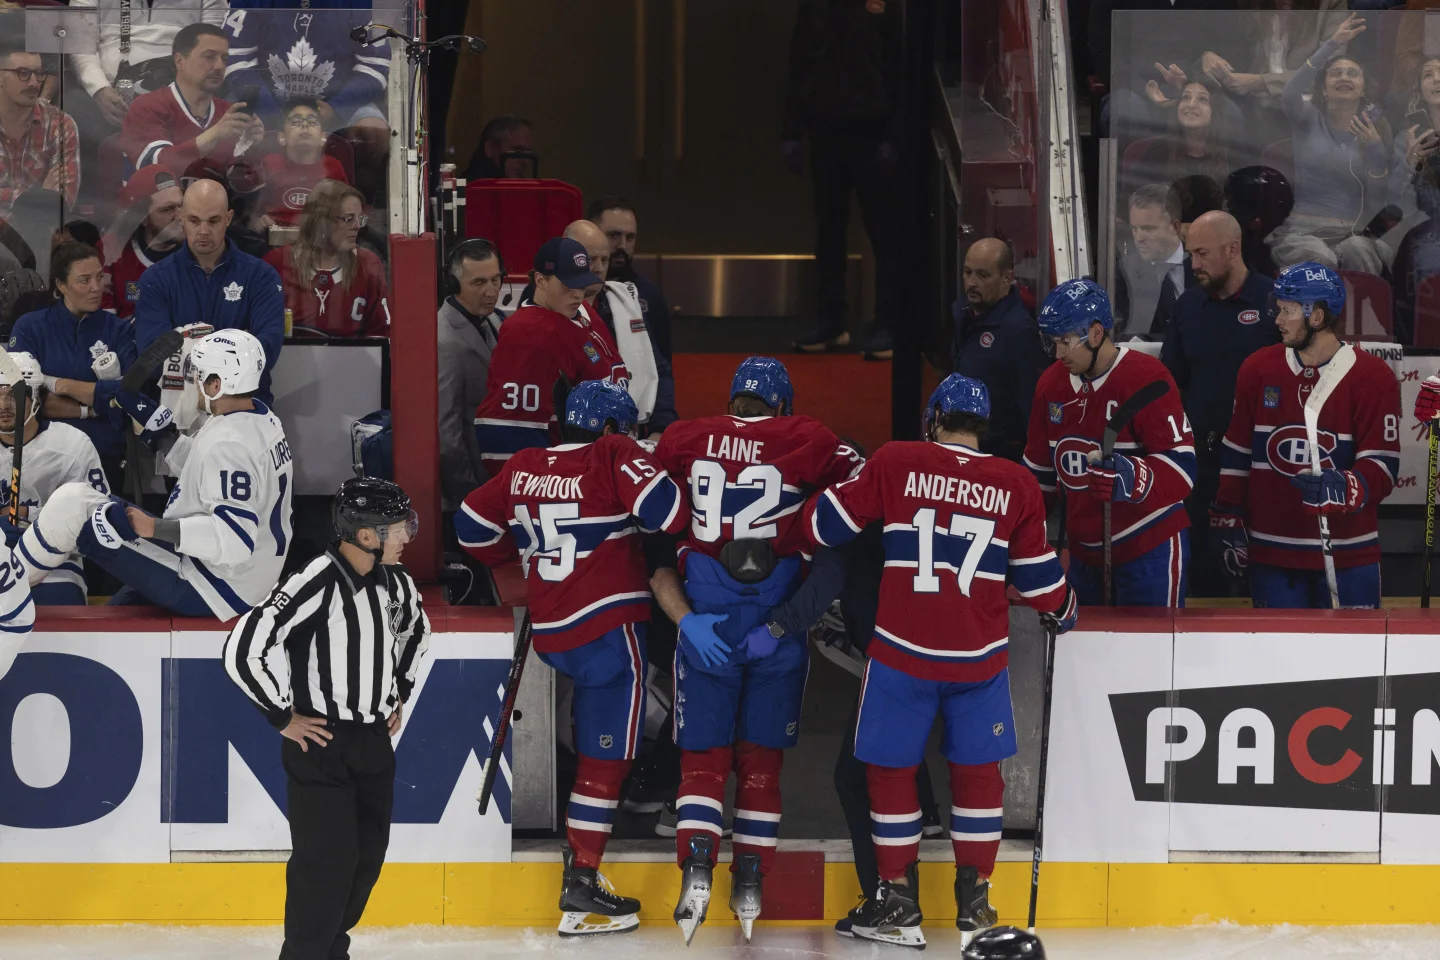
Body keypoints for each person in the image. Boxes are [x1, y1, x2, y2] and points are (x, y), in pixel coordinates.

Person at [806, 374, 1077, 949]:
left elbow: (824, 525)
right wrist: (1067, 608)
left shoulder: (898, 459)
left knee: (890, 772)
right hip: (977, 659)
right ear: (982, 428)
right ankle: (974, 900)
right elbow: (1039, 580)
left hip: (901, 653)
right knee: (978, 777)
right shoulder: (1016, 482)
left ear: (932, 419)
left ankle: (897, 900)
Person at [456, 381, 687, 938]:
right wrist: (640, 462)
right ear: (611, 429)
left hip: (554, 628)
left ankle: (585, 873)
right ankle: (582, 880)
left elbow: (469, 523)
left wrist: (519, 558)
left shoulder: (526, 464)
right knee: (607, 759)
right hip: (608, 627)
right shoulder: (614, 452)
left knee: (596, 747)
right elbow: (670, 514)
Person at [650, 357, 863, 942]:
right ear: (783, 405)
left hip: (706, 622)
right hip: (776, 627)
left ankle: (697, 863)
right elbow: (861, 483)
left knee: (702, 760)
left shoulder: (685, 436)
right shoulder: (811, 438)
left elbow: (652, 501)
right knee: (762, 765)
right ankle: (749, 874)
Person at [224, 477, 428, 960]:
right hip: (320, 745)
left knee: (364, 863)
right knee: (325, 864)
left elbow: (416, 632)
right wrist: (281, 715)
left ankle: (330, 950)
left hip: (374, 744)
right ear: (365, 535)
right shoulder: (316, 578)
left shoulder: (397, 581)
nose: (406, 537)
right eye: (397, 528)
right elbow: (244, 648)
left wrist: (397, 690)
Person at [17, 329, 293, 619]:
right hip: (245, 577)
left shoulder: (229, 444)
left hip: (216, 584)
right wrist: (161, 433)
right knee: (116, 612)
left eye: (200, 375)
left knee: (71, 506)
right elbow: (205, 468)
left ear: (217, 384)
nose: (194, 383)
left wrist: (154, 528)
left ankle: (7, 593)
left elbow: (235, 538)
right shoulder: (259, 417)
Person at [1212, 262, 1400, 608]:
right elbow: (1237, 452)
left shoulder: (1373, 377)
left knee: (1352, 662)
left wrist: (1345, 486)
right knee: (1277, 661)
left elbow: (1384, 465)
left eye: (1288, 310)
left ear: (1317, 315)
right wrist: (1228, 515)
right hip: (1272, 552)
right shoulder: (1258, 368)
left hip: (1347, 554)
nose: (1278, 319)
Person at [1025, 279, 1196, 607]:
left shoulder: (1147, 377)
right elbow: (1039, 476)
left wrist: (1131, 476)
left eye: (1065, 341)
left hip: (1149, 549)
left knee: (1149, 657)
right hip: (1083, 555)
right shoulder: (1050, 385)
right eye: (1052, 342)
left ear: (1095, 333)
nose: (1057, 353)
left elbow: (1183, 470)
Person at [1162, 211, 1280, 597]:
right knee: (1202, 579)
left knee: (1262, 578)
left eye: (1202, 253)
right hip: (1201, 468)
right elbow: (1171, 387)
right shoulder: (1186, 308)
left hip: (1262, 469)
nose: (1193, 264)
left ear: (1232, 249)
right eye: (1190, 254)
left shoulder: (1276, 303)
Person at [783, 0, 902, 360]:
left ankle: (889, 323)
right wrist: (791, 131)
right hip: (825, 129)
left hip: (873, 130)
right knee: (828, 231)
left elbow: (903, 70)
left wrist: (895, 136)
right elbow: (799, 62)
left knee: (884, 234)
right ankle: (831, 320)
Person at [474, 237, 628, 475]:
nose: (578, 293)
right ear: (541, 280)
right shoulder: (529, 335)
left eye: (582, 283)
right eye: (568, 284)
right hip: (575, 475)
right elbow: (508, 430)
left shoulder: (579, 309)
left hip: (606, 458)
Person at [133, 178, 285, 406]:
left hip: (244, 410)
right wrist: (234, 347)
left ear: (228, 218)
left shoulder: (261, 276)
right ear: (182, 217)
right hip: (175, 414)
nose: (203, 231)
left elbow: (265, 353)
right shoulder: (156, 280)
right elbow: (153, 359)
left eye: (213, 221)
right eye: (194, 220)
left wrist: (183, 346)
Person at [1270, 14, 1390, 275]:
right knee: (1320, 256)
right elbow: (1290, 92)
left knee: (1359, 250)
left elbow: (1378, 201)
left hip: (1350, 233)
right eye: (1335, 73)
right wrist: (1332, 44)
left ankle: (1363, 316)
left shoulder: (1374, 130)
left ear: (1363, 88)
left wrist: (1376, 152)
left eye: (1352, 73)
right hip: (1303, 233)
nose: (1343, 77)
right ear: (1323, 88)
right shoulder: (1307, 119)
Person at [9, 242, 136, 477]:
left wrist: (61, 385)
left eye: (99, 277)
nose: (96, 287)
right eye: (84, 280)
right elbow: (24, 401)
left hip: (104, 454)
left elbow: (129, 395)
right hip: (42, 457)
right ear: (61, 285)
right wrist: (93, 408)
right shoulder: (30, 328)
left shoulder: (119, 330)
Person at [0, 352, 108, 606]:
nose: (3, 405)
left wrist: (31, 516)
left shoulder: (73, 445)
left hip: (56, 565)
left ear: (35, 397)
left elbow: (98, 522)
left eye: (13, 395)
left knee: (59, 603)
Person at [221, 1, 390, 135]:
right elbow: (236, 62)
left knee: (371, 131)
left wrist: (337, 107)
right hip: (266, 100)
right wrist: (270, 109)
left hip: (337, 100)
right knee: (225, 123)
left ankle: (348, 179)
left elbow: (375, 65)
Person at [118, 24, 265, 174]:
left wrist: (251, 145)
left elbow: (244, 181)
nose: (220, 66)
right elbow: (155, 169)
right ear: (180, 61)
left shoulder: (230, 113)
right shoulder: (146, 106)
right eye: (209, 57)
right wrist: (214, 134)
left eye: (224, 59)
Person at [585, 199, 679, 433]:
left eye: (630, 237)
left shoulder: (648, 296)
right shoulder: (557, 296)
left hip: (634, 428)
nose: (622, 245)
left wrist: (662, 427)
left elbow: (660, 369)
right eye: (614, 235)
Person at [950, 238, 1049, 462]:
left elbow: (1032, 410)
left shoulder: (1020, 332)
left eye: (983, 275)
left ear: (1007, 279)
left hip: (999, 458)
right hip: (965, 449)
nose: (971, 282)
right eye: (967, 272)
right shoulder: (963, 313)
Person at [265, 180, 388, 338]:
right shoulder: (276, 263)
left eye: (360, 218)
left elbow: (381, 335)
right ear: (321, 222)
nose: (358, 226)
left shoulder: (368, 264)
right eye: (348, 219)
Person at [438, 238, 505, 510]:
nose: (491, 291)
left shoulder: (495, 319)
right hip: (472, 486)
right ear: (454, 285)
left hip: (495, 475)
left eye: (496, 280)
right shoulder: (443, 340)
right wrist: (470, 497)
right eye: (478, 283)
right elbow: (446, 434)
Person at [0, 42, 78, 220]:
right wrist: (37, 196)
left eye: (39, 73)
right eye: (23, 74)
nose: (34, 83)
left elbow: (60, 205)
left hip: (40, 237)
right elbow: (46, 202)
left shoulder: (61, 125)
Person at [1123, 78, 1235, 200]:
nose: (1191, 105)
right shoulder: (1157, 151)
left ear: (1215, 111)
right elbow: (1140, 205)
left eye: (1202, 99)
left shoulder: (1233, 154)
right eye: (1185, 97)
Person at [1115, 184, 1196, 338]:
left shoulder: (1202, 262)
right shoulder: (1125, 270)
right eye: (1134, 229)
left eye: (1148, 229)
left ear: (1174, 226)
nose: (1139, 238)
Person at [103, 165, 185, 318]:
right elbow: (103, 330)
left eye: (182, 205)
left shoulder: (201, 250)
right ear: (142, 218)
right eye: (167, 210)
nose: (180, 217)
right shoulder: (111, 253)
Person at [260, 98, 350, 227]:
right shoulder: (269, 163)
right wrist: (258, 222)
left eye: (313, 122)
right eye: (295, 122)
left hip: (321, 239)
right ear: (282, 137)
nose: (305, 125)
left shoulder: (334, 167)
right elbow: (253, 210)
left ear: (323, 138)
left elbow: (346, 210)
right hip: (273, 240)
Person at [464, 115, 537, 181]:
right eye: (516, 150)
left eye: (528, 153)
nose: (524, 161)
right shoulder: (461, 190)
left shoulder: (524, 189)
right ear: (490, 148)